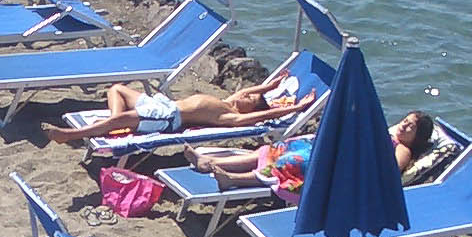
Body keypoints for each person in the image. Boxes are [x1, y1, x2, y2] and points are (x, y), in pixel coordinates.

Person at [48, 76, 320, 145]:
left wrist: (298, 107)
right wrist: (272, 85)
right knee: (117, 89)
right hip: (161, 105)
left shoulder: (231, 116)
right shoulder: (229, 101)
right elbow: (251, 90)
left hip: (167, 118)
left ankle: (70, 135)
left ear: (251, 108)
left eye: (251, 98)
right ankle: (111, 123)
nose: (246, 94)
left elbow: (264, 115)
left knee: (121, 118)